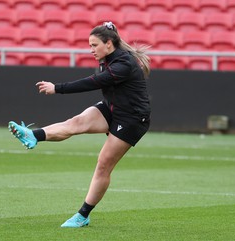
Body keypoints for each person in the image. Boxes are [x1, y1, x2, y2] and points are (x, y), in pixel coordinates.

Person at [8, 21, 151, 228]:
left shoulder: (123, 64)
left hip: (132, 119)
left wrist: (57, 88)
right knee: (76, 122)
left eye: (94, 45)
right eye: (90, 45)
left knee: (103, 165)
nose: (91, 50)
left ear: (109, 44)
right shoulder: (108, 57)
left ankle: (83, 215)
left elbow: (93, 82)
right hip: (113, 108)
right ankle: (33, 135)